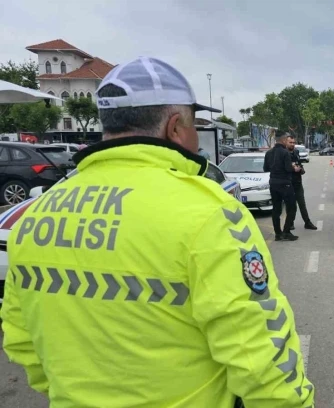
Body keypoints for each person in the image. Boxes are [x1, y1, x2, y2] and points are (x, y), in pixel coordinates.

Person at [0, 57, 314, 406]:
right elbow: (261, 354)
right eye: (194, 125)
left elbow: (21, 338)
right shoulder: (207, 212)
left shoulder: (37, 213)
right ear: (176, 127)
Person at [264, 132, 300, 241]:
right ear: (284, 140)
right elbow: (288, 169)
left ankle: (278, 234)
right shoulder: (285, 153)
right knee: (292, 207)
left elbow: (265, 168)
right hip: (285, 183)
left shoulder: (269, 153)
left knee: (276, 209)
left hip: (273, 183)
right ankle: (286, 231)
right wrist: (294, 168)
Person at [287, 138, 317, 230]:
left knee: (302, 204)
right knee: (291, 205)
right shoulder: (284, 153)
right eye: (290, 142)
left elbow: (299, 163)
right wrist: (293, 168)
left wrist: (301, 169)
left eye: (293, 142)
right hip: (289, 183)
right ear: (286, 142)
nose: (292, 144)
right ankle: (290, 223)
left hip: (298, 182)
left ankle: (307, 222)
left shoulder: (296, 152)